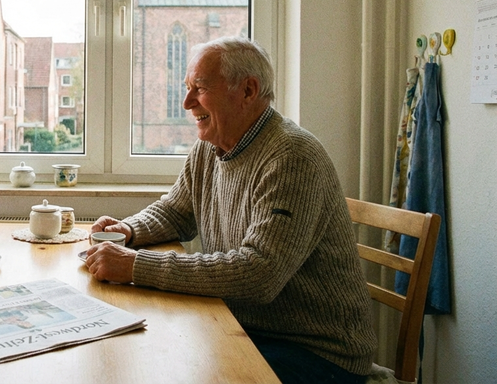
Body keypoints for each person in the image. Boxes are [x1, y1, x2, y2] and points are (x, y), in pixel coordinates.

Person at [85, 36, 376, 384]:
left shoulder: (293, 157)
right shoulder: (209, 146)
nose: (187, 102)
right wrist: (127, 231)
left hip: (317, 352)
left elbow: (259, 274)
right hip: (245, 328)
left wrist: (135, 265)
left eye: (200, 88)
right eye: (187, 87)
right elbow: (175, 212)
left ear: (249, 91)